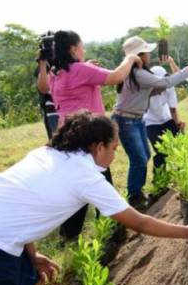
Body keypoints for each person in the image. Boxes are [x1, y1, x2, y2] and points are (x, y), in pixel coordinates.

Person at [0, 111, 188, 285]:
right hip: (1, 247)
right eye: (114, 149)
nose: (114, 155)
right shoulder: (86, 176)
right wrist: (187, 231)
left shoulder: (46, 154)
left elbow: (19, 206)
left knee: (31, 283)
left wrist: (32, 255)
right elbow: (139, 222)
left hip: (7, 235)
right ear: (99, 147)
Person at [36, 30, 141, 241]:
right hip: (89, 134)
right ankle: (111, 229)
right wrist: (130, 58)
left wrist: (87, 68)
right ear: (74, 49)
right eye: (81, 46)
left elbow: (44, 87)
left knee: (81, 183)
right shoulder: (80, 70)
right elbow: (116, 76)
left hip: (67, 133)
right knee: (97, 183)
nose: (83, 49)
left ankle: (71, 234)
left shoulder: (57, 73)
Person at [113, 36, 188, 209]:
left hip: (136, 119)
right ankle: (134, 196)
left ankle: (137, 193)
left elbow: (160, 87)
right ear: (139, 55)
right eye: (147, 52)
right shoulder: (138, 74)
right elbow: (166, 82)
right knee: (139, 159)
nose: (150, 55)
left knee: (145, 156)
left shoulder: (134, 72)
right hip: (127, 120)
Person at [144, 63, 185, 172]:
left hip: (167, 119)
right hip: (150, 123)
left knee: (179, 146)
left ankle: (182, 173)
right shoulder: (145, 90)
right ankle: (160, 181)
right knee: (161, 152)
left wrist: (178, 124)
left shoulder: (169, 86)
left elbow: (173, 109)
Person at [33, 63, 59, 139]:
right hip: (50, 107)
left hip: (52, 106)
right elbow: (44, 88)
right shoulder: (45, 65)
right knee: (55, 137)